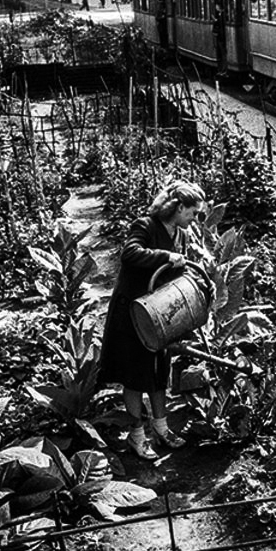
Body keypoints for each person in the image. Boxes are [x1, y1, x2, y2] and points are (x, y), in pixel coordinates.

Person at [99, 180, 207, 459]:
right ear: (178, 207)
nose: (195, 219)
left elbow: (176, 272)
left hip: (160, 315)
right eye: (192, 213)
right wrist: (166, 256)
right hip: (132, 313)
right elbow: (130, 253)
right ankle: (137, 436)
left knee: (159, 373)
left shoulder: (178, 232)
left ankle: (161, 428)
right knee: (134, 377)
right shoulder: (145, 225)